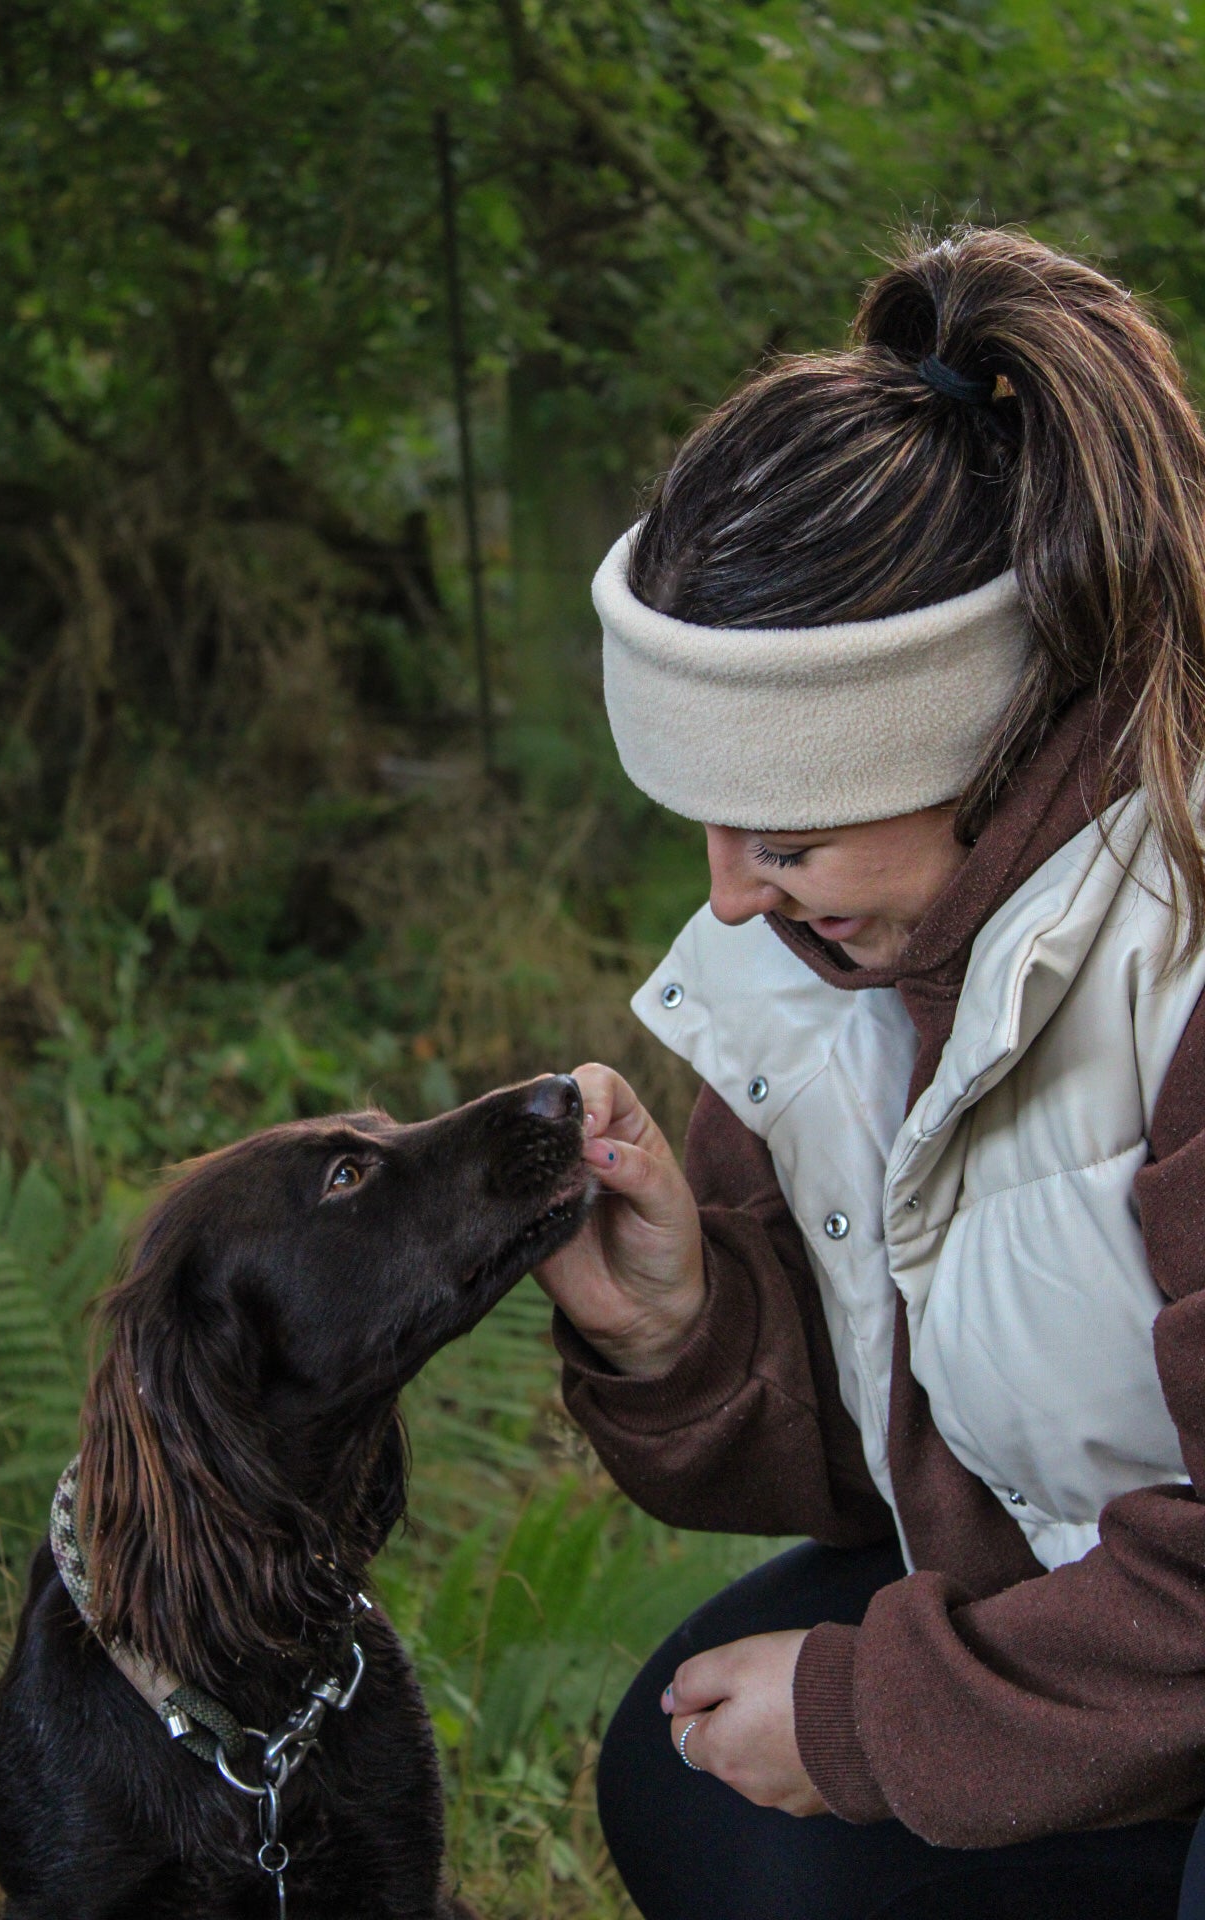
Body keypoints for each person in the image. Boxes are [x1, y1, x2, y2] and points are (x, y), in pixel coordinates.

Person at [532, 227, 1205, 1920]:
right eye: (708, 822)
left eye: (791, 834)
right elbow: (926, 1460)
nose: (731, 898)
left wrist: (867, 1716)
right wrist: (686, 1326)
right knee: (698, 1806)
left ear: (991, 733)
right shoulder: (846, 949)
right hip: (1125, 1624)